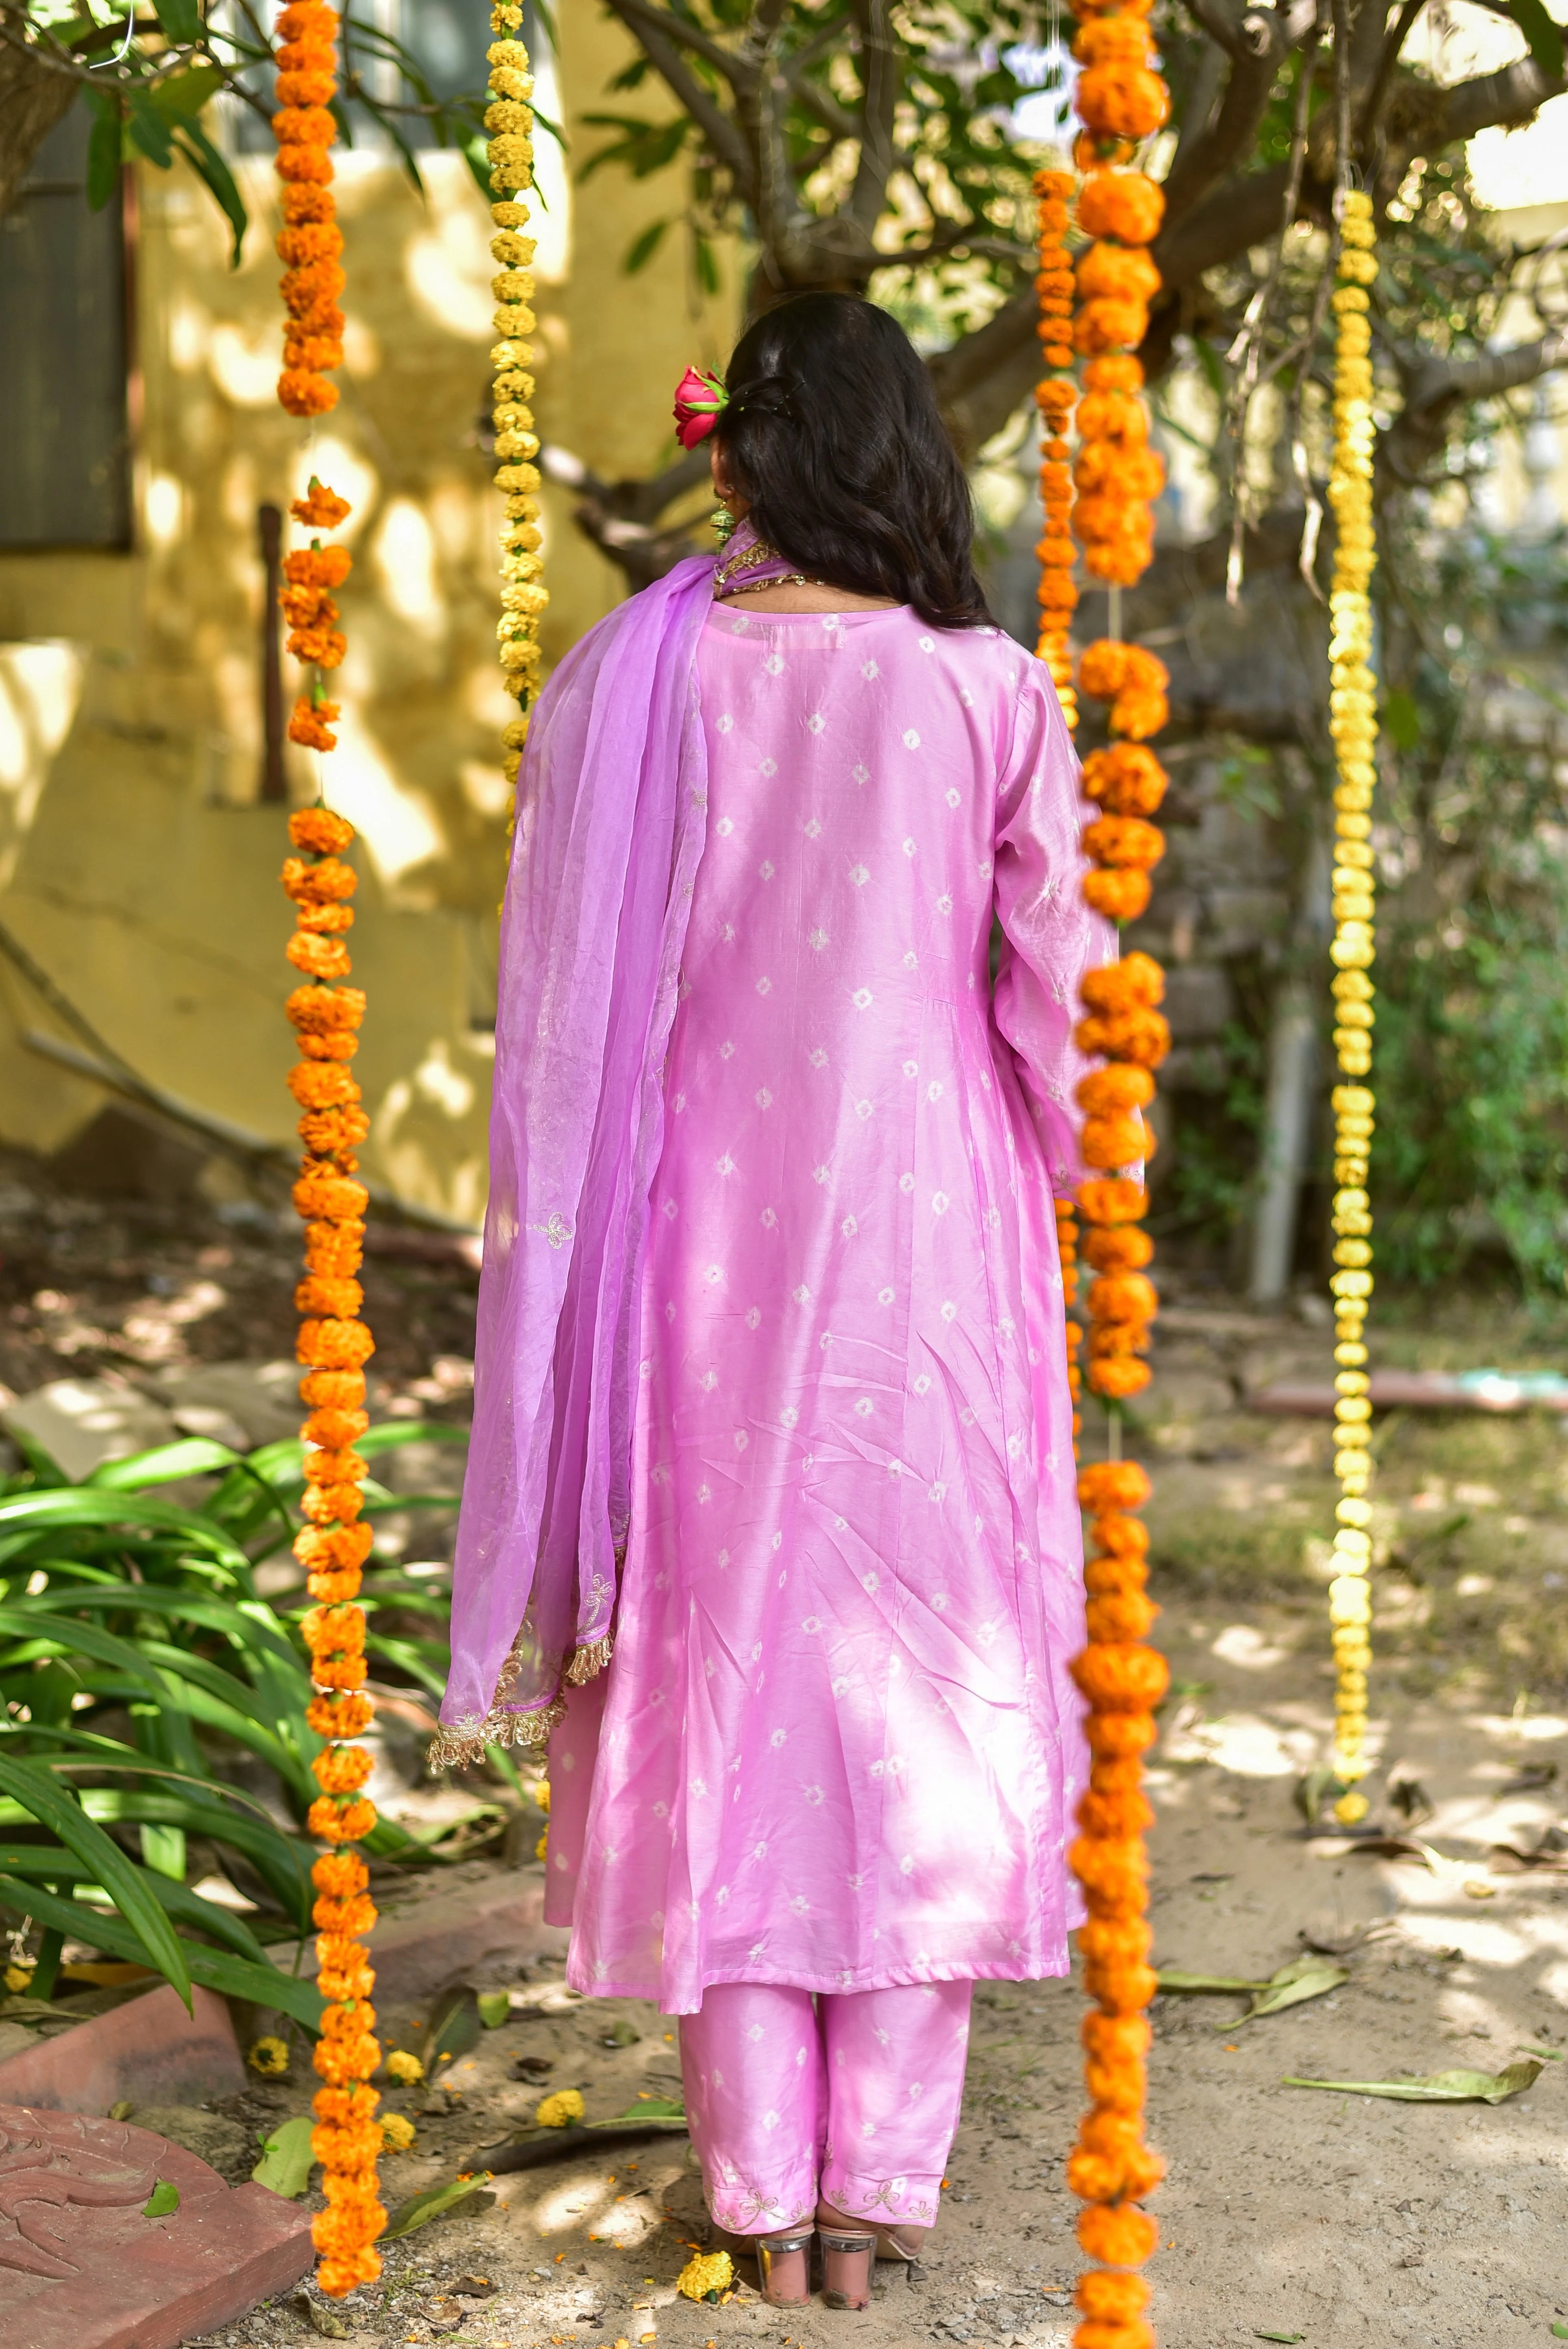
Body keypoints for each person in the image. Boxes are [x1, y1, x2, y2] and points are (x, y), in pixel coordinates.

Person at [433, 291, 1109, 2311]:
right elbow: (1055, 1006)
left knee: (722, 1677)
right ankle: (873, 2197)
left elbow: (560, 1015)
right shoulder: (989, 690)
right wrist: (1096, 1177)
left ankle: (756, 2184)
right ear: (904, 455)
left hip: (690, 1261)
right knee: (922, 1670)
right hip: (927, 1256)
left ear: (736, 451)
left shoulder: (626, 687)